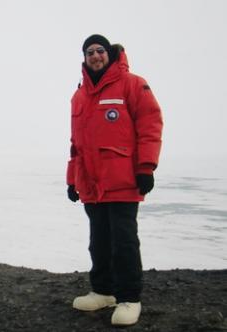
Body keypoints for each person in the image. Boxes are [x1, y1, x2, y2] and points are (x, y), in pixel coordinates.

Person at [66, 34, 163, 326]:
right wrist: (73, 179)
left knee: (123, 242)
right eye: (89, 52)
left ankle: (129, 298)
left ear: (109, 53)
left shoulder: (133, 84)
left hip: (122, 180)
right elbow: (76, 144)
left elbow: (150, 123)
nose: (95, 56)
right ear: (84, 59)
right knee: (99, 241)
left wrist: (146, 166)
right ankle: (103, 291)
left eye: (99, 50)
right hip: (92, 184)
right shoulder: (79, 96)